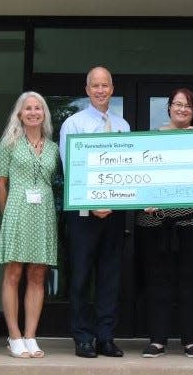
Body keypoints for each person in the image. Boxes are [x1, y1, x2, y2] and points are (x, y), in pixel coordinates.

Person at [137, 88, 193, 359]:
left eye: (188, 105)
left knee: (192, 282)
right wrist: (142, 199)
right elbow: (137, 177)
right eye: (177, 104)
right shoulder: (151, 138)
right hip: (154, 223)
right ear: (169, 107)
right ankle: (157, 340)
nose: (182, 109)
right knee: (157, 282)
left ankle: (191, 341)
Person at [59, 66, 130, 358]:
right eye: (95, 86)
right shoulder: (73, 124)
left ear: (112, 89)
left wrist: (113, 202)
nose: (101, 90)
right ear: (87, 90)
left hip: (114, 213)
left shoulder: (123, 125)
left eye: (105, 85)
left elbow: (127, 170)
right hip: (83, 214)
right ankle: (83, 337)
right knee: (81, 277)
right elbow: (70, 167)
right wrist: (91, 203)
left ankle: (105, 336)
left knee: (110, 277)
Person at [0, 92, 59, 358]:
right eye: (28, 108)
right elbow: (0, 182)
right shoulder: (9, 143)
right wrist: (8, 214)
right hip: (17, 211)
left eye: (38, 108)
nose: (33, 112)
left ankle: (31, 336)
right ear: (20, 115)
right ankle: (14, 335)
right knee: (14, 273)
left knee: (37, 275)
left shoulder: (53, 148)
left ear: (44, 114)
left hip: (43, 213)